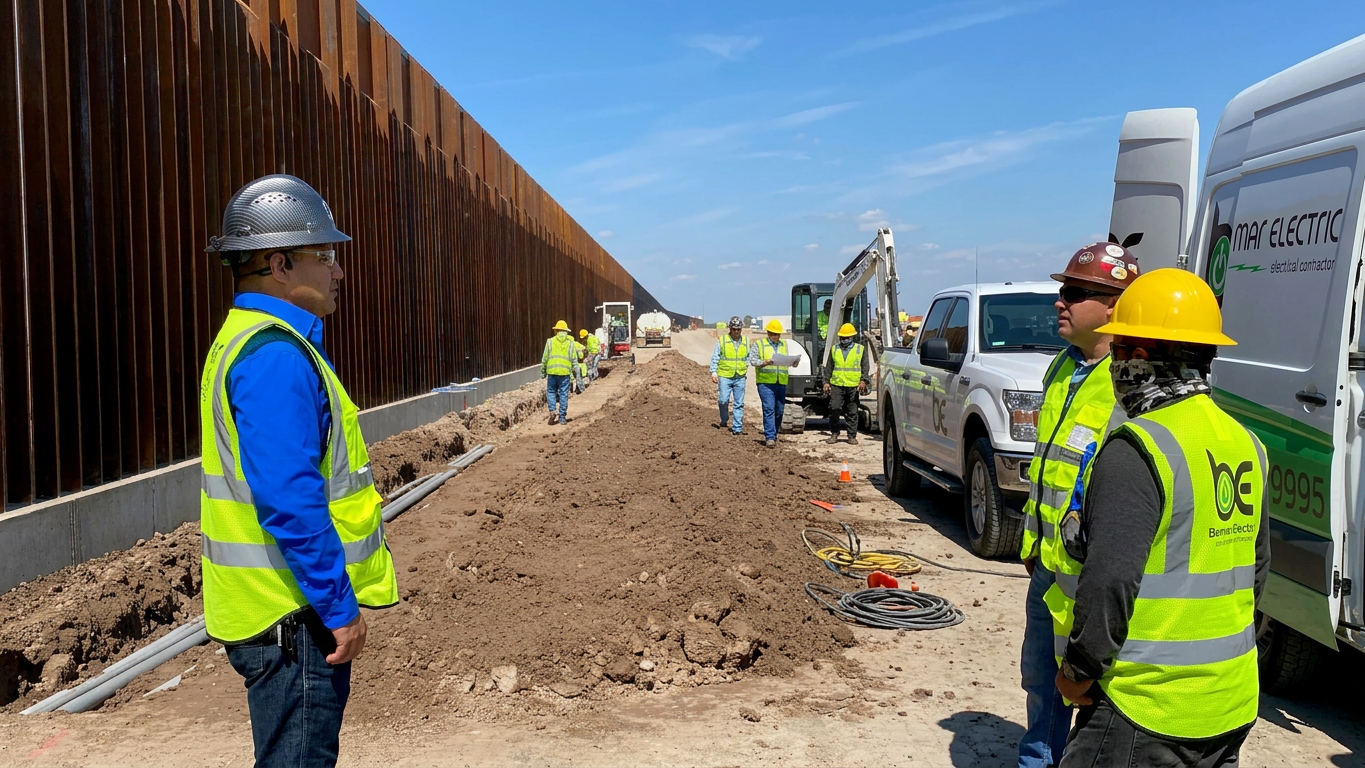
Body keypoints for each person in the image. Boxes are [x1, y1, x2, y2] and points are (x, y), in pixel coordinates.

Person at [200, 174, 398, 767]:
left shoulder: (251, 340)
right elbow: (290, 498)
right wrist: (340, 609)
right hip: (294, 618)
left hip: (276, 612)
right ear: (280, 263)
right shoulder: (275, 356)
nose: (338, 270)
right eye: (326, 256)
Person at [1056, 268, 1268, 767]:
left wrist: (1079, 669)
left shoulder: (1140, 447)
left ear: (1139, 359)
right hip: (1228, 701)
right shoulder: (1245, 443)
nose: (1112, 362)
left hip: (1146, 706)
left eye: (1119, 349)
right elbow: (1255, 573)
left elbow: (1111, 579)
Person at [1017, 243, 1139, 768]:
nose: (1059, 302)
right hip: (1048, 566)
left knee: (1090, 696)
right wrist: (1029, 542)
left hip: (1093, 579)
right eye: (1061, 291)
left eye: (1074, 292)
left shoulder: (1129, 383)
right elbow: (1049, 468)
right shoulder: (1062, 370)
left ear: (1114, 304)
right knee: (1042, 688)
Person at [751, 319, 797, 448]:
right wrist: (764, 362)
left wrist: (793, 362)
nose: (776, 337)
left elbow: (785, 361)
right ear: (768, 333)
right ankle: (770, 437)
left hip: (780, 382)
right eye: (774, 334)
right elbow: (753, 360)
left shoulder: (783, 345)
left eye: (778, 335)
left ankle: (774, 433)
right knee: (769, 409)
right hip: (765, 383)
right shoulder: (759, 344)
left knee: (779, 410)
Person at [822, 323, 869, 444]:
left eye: (847, 337)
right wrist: (826, 382)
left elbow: (865, 366)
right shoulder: (834, 349)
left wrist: (863, 380)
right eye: (842, 338)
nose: (844, 340)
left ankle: (851, 436)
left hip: (853, 385)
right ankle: (834, 433)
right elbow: (829, 368)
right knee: (834, 408)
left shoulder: (860, 349)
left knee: (852, 411)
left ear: (852, 337)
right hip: (837, 384)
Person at [709, 316, 749, 436]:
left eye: (738, 329)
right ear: (730, 329)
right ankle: (724, 419)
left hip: (740, 376)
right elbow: (715, 357)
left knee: (739, 403)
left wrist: (745, 366)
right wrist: (713, 372)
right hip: (725, 375)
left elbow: (748, 357)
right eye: (734, 329)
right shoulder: (722, 341)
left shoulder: (746, 341)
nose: (736, 332)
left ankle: (737, 428)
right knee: (723, 400)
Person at [542, 320, 574, 424]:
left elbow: (545, 358)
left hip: (552, 372)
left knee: (551, 392)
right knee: (564, 394)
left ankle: (552, 411)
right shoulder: (570, 344)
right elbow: (574, 360)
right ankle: (562, 417)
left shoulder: (550, 341)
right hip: (565, 373)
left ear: (556, 331)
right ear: (566, 332)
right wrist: (574, 374)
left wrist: (543, 372)